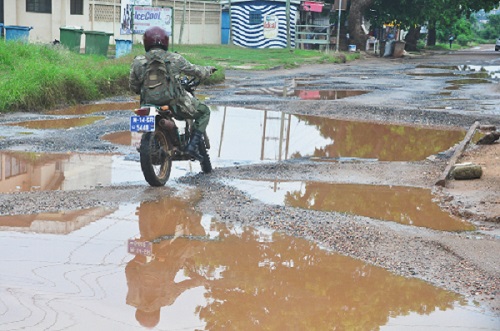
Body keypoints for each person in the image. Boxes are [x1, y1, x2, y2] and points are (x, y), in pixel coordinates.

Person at [129, 26, 216, 161]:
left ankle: (145, 143)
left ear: (146, 42)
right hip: (174, 104)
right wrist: (208, 70)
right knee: (204, 112)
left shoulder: (138, 61)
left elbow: (133, 86)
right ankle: (192, 146)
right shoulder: (175, 58)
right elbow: (196, 71)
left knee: (140, 117)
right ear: (165, 42)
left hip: (147, 104)